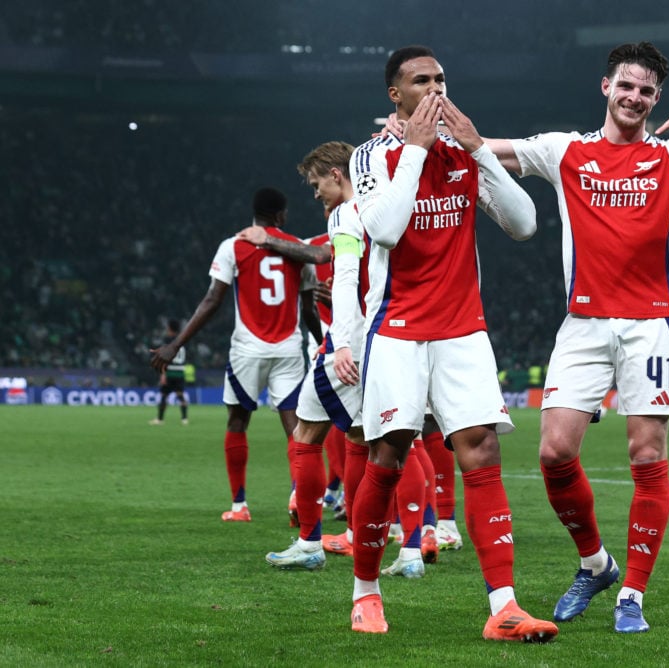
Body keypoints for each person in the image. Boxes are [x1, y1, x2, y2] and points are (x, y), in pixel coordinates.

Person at [484, 42, 669, 633]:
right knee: (555, 452)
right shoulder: (565, 150)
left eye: (647, 92)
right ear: (605, 87)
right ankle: (596, 563)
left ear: (657, 100)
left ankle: (631, 593)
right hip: (582, 324)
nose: (635, 98)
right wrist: (434, 130)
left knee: (646, 455)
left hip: (650, 325)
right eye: (626, 86)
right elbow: (490, 151)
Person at [347, 45, 557, 642]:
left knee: (482, 454)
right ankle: (365, 593)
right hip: (397, 331)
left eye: (441, 79)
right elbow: (384, 228)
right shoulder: (373, 155)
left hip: (464, 329)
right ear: (396, 94)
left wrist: (479, 150)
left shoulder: (464, 158)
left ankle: (505, 606)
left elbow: (523, 224)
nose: (436, 90)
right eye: (421, 81)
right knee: (386, 458)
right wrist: (415, 150)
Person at [150, 187, 320, 522]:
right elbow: (309, 309)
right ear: (281, 215)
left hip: (248, 349)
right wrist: (324, 344)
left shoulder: (233, 246)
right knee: (296, 427)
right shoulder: (298, 249)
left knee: (238, 421)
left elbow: (212, 300)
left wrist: (176, 344)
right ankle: (298, 494)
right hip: (288, 347)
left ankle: (240, 506)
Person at [253, 141, 372, 570]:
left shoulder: (346, 213)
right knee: (361, 440)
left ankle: (309, 544)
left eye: (317, 182)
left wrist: (338, 341)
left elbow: (342, 278)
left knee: (305, 438)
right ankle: (363, 534)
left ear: (337, 175)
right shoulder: (384, 208)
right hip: (379, 338)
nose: (316, 193)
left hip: (345, 345)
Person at [149, 319, 189, 425]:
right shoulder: (182, 340)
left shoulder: (168, 340)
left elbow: (165, 357)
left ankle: (160, 419)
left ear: (170, 328)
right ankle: (184, 419)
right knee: (180, 395)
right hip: (180, 371)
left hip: (170, 371)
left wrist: (163, 374)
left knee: (164, 395)